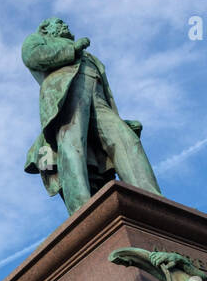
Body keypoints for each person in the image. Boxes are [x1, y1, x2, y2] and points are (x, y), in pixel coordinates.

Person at [23, 17, 161, 214]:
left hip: (97, 99)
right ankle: (82, 209)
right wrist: (73, 49)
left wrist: (120, 118)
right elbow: (34, 57)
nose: (66, 26)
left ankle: (152, 199)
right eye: (60, 23)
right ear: (46, 28)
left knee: (126, 139)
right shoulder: (37, 39)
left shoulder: (90, 58)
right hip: (66, 93)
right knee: (72, 144)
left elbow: (105, 93)